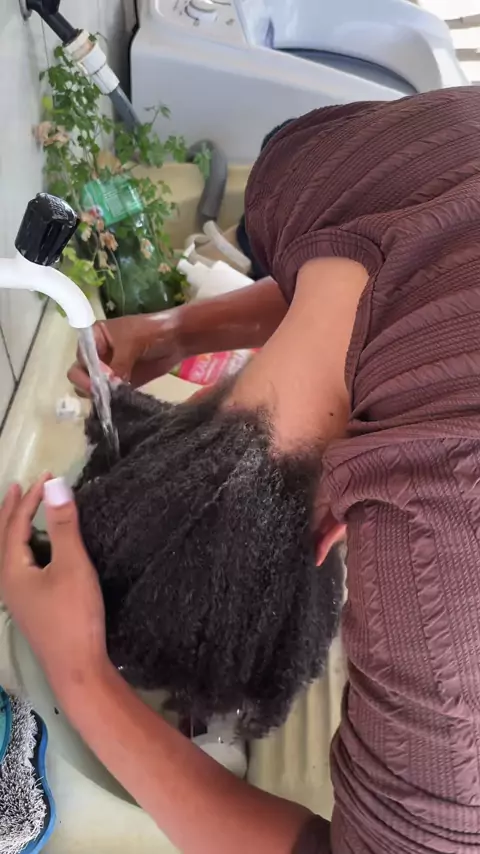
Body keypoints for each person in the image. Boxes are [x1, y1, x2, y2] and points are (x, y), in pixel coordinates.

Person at [2, 85, 480, 853]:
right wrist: (177, 329)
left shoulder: (440, 575)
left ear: (330, 533)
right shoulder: (303, 171)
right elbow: (395, 273)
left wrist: (80, 676)